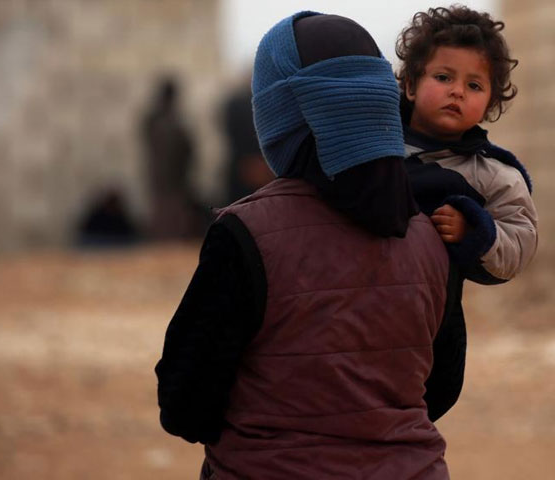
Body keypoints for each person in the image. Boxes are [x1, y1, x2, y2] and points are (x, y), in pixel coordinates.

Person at [156, 12, 462, 479]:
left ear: (282, 116)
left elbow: (185, 403)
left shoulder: (246, 234)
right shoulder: (434, 232)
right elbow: (438, 390)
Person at [394, 6, 538, 376]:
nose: (457, 91)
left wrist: (475, 230)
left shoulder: (491, 176)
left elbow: (518, 240)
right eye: (443, 77)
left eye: (474, 86)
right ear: (410, 85)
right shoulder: (372, 149)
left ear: (489, 104)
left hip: (429, 329)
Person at [141, 76, 201, 239]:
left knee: (165, 215)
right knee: (170, 217)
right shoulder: (170, 122)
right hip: (173, 177)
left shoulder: (154, 120)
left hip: (164, 176)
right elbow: (187, 148)